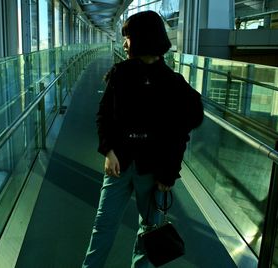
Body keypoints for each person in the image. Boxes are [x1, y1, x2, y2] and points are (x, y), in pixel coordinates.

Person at [82, 10, 204, 268]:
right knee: (102, 227)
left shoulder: (173, 83)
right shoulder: (121, 73)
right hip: (119, 165)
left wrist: (169, 173)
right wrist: (108, 150)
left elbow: (181, 133)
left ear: (143, 38)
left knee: (148, 235)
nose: (124, 43)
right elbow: (103, 115)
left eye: (128, 37)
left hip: (154, 171)